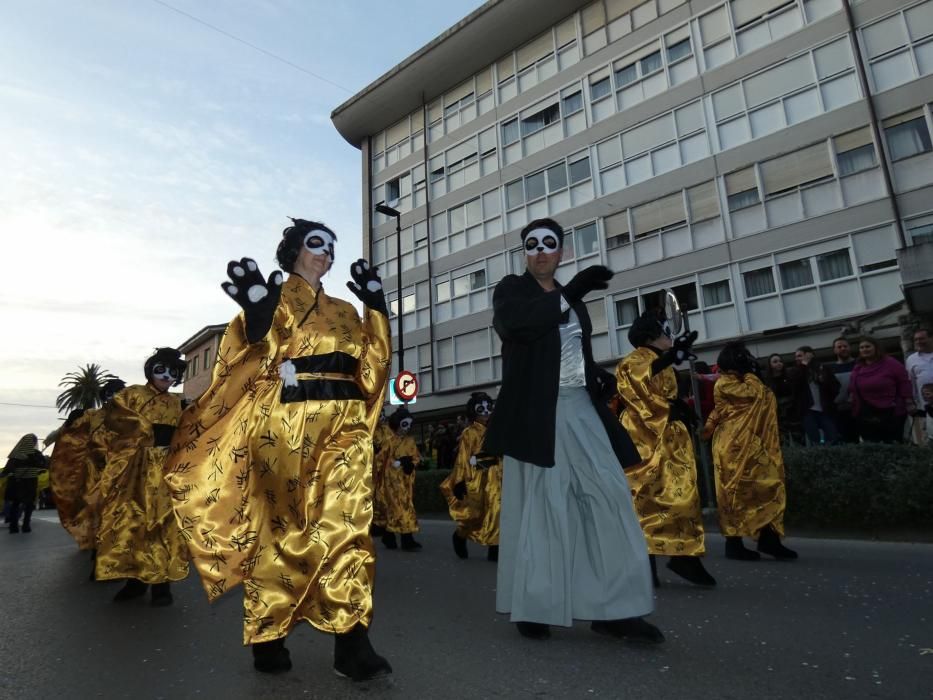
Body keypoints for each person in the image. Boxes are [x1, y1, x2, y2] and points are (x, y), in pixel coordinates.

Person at [164, 219, 392, 680]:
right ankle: (269, 631)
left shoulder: (347, 310)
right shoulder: (277, 299)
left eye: (332, 246)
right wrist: (258, 317)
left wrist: (377, 310)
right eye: (316, 245)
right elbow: (253, 359)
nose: (326, 253)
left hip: (345, 425)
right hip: (285, 427)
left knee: (349, 526)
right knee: (281, 530)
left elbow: (372, 372)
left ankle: (352, 640)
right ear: (292, 252)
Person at [484, 217, 661, 644]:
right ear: (524, 253)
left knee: (609, 497)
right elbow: (518, 326)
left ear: (561, 252)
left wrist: (596, 373)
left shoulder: (572, 301)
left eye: (549, 244)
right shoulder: (512, 289)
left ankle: (614, 608)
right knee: (545, 504)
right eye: (532, 244)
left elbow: (569, 351)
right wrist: (571, 291)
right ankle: (536, 604)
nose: (541, 251)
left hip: (580, 406)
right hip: (538, 414)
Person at [616, 309, 716, 588]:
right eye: (664, 331)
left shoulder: (662, 361)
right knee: (645, 497)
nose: (669, 335)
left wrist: (679, 407)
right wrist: (672, 360)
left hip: (669, 436)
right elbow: (636, 383)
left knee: (680, 495)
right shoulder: (634, 360)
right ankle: (644, 563)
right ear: (651, 335)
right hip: (644, 436)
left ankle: (682, 554)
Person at [94, 349, 188, 606]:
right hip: (136, 468)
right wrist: (142, 430)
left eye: (173, 372)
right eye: (161, 369)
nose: (167, 376)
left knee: (162, 524)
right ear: (151, 369)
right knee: (133, 521)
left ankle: (161, 586)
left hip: (166, 468)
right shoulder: (133, 394)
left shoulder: (176, 402)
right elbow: (114, 416)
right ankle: (134, 581)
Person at [701, 342, 797, 561]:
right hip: (734, 447)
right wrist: (752, 375)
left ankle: (768, 538)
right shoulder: (727, 383)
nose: (749, 361)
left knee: (765, 488)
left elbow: (719, 411)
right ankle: (734, 543)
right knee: (735, 494)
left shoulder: (735, 382)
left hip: (751, 444)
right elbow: (757, 394)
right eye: (743, 358)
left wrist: (707, 428)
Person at [49, 379, 125, 554]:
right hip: (95, 471)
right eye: (111, 393)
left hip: (121, 469)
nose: (115, 397)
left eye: (120, 393)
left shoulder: (132, 417)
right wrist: (69, 423)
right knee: (95, 506)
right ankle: (97, 543)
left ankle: (112, 545)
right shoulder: (93, 415)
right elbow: (72, 432)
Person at [440, 392, 502, 561]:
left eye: (489, 408)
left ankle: (495, 548)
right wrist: (459, 482)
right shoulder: (469, 433)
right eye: (481, 409)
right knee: (474, 514)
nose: (486, 412)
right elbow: (463, 458)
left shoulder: (496, 429)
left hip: (495, 477)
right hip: (476, 478)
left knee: (496, 510)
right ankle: (460, 535)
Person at [849, 336, 914, 443]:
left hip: (890, 412)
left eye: (867, 346)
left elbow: (904, 381)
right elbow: (852, 387)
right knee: (872, 445)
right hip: (866, 414)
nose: (864, 349)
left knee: (893, 444)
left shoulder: (890, 363)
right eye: (861, 347)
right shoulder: (858, 367)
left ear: (876, 348)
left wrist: (909, 401)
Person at [376, 407, 422, 552]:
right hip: (392, 480)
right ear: (397, 424)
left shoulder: (410, 441)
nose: (407, 428)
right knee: (400, 508)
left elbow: (416, 457)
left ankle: (389, 535)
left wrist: (409, 463)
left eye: (409, 425)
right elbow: (379, 460)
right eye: (404, 424)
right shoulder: (389, 442)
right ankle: (407, 539)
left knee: (402, 507)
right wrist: (389, 466)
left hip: (406, 479)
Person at [792, 346, 840, 445]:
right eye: (796, 356)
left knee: (832, 437)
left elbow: (835, 386)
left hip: (825, 409)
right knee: (814, 440)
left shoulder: (822, 368)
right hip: (807, 410)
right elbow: (795, 387)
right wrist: (804, 365)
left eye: (800, 356)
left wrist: (824, 383)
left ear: (810, 355)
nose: (797, 358)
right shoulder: (796, 371)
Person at [3, 434, 46, 534]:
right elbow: (43, 464)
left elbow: (8, 469)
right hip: (30, 482)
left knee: (15, 504)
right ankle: (26, 525)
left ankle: (13, 527)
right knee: (29, 504)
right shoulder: (36, 454)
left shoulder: (16, 454)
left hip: (16, 481)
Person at [764, 353, 800, 445]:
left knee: (798, 437)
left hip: (792, 412)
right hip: (777, 414)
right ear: (770, 365)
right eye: (775, 362)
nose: (779, 363)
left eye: (780, 361)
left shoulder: (789, 376)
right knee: (783, 440)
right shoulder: (767, 380)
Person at [906, 328, 933, 442]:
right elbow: (910, 383)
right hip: (927, 408)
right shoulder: (911, 359)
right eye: (915, 340)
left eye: (921, 338)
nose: (918, 342)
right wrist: (912, 403)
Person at [830, 338, 859, 443]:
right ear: (834, 350)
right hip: (840, 412)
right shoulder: (831, 369)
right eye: (839, 347)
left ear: (849, 348)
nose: (843, 348)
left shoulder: (860, 364)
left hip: (862, 409)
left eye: (845, 346)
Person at [369, 409, 393, 538]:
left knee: (385, 496)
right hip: (371, 470)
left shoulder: (387, 430)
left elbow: (392, 446)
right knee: (373, 496)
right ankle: (375, 523)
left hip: (386, 469)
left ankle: (385, 523)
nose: (381, 417)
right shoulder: (369, 428)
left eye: (383, 414)